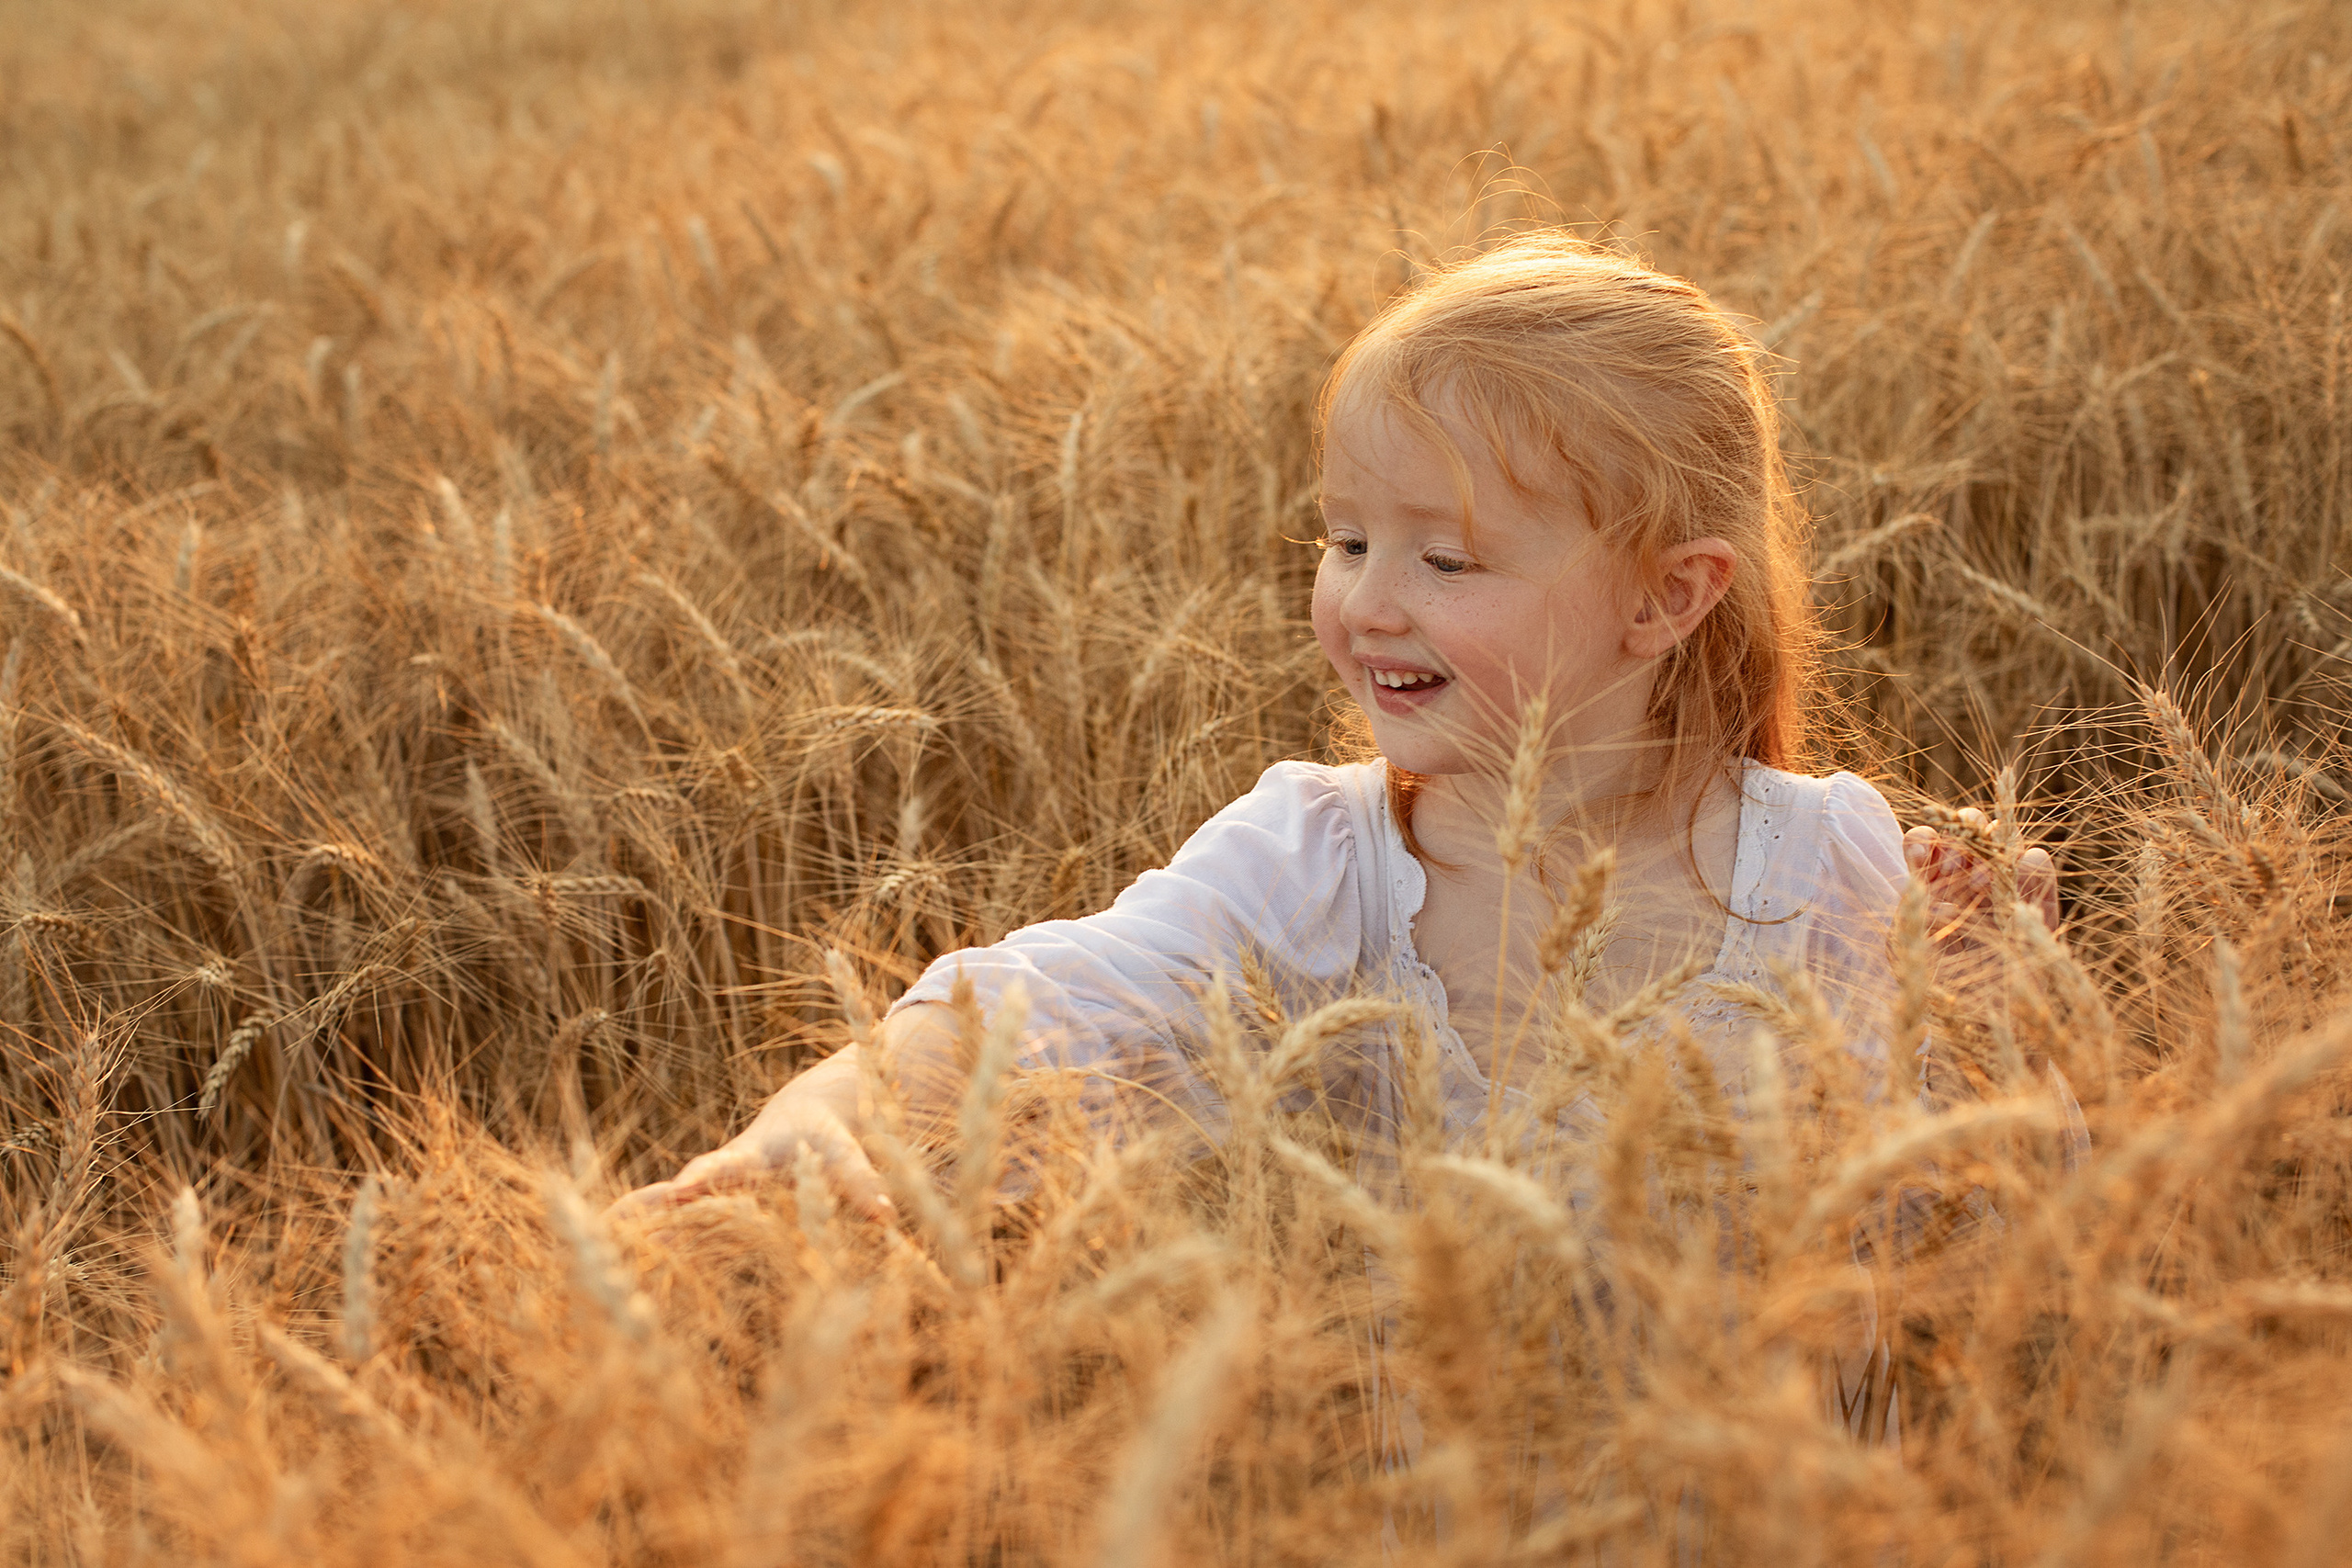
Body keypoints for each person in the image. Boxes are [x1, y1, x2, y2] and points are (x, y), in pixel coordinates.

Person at [614, 233, 2058, 1233]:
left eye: (1446, 560)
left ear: (1667, 598)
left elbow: (1998, 1217)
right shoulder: (1318, 863)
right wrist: (830, 1109)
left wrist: (2009, 1011)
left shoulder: (1839, 873)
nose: (1368, 602)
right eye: (1347, 537)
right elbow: (1041, 1008)